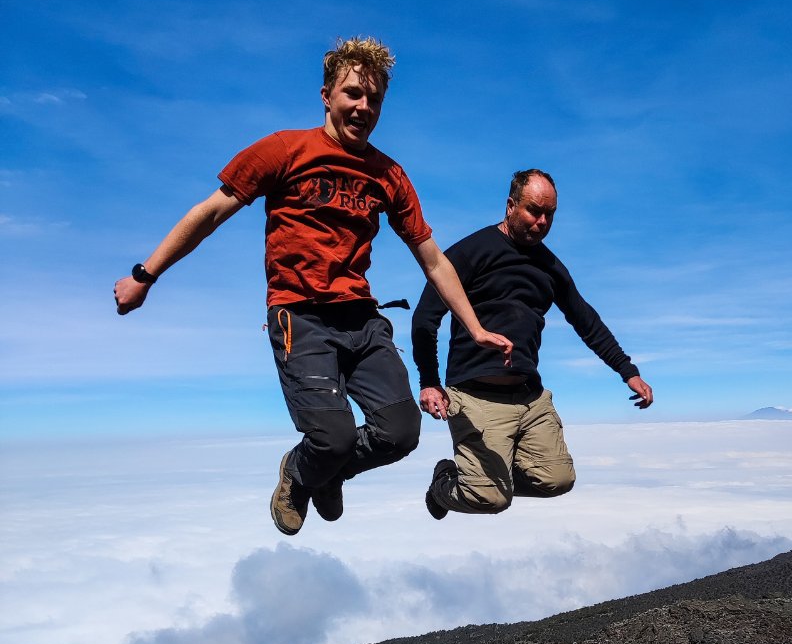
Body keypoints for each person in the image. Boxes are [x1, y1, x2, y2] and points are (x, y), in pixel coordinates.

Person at [114, 36, 512, 536]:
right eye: (352, 93)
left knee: (401, 433)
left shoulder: (388, 175)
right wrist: (144, 275)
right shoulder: (285, 150)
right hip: (299, 317)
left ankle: (325, 470)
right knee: (332, 438)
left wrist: (473, 327)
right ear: (327, 95)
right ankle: (303, 470)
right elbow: (210, 212)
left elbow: (431, 258)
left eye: (374, 99)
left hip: (361, 320)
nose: (363, 106)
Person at [412, 168, 653, 519]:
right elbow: (425, 319)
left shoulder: (550, 266)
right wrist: (430, 382)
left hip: (529, 396)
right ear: (510, 206)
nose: (541, 221)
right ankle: (445, 483)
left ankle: (489, 480)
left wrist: (627, 371)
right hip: (476, 397)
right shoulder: (470, 252)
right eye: (533, 210)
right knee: (491, 500)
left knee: (557, 480)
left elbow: (585, 320)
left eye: (549, 214)